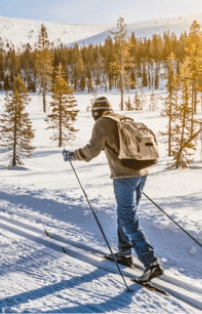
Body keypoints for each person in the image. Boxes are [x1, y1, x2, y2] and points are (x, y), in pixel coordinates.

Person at [63, 96, 163, 284]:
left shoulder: (102, 123)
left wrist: (72, 155)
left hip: (125, 177)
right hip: (141, 173)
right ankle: (124, 254)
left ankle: (151, 264)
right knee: (125, 215)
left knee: (127, 219)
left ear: (95, 112)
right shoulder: (122, 119)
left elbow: (91, 151)